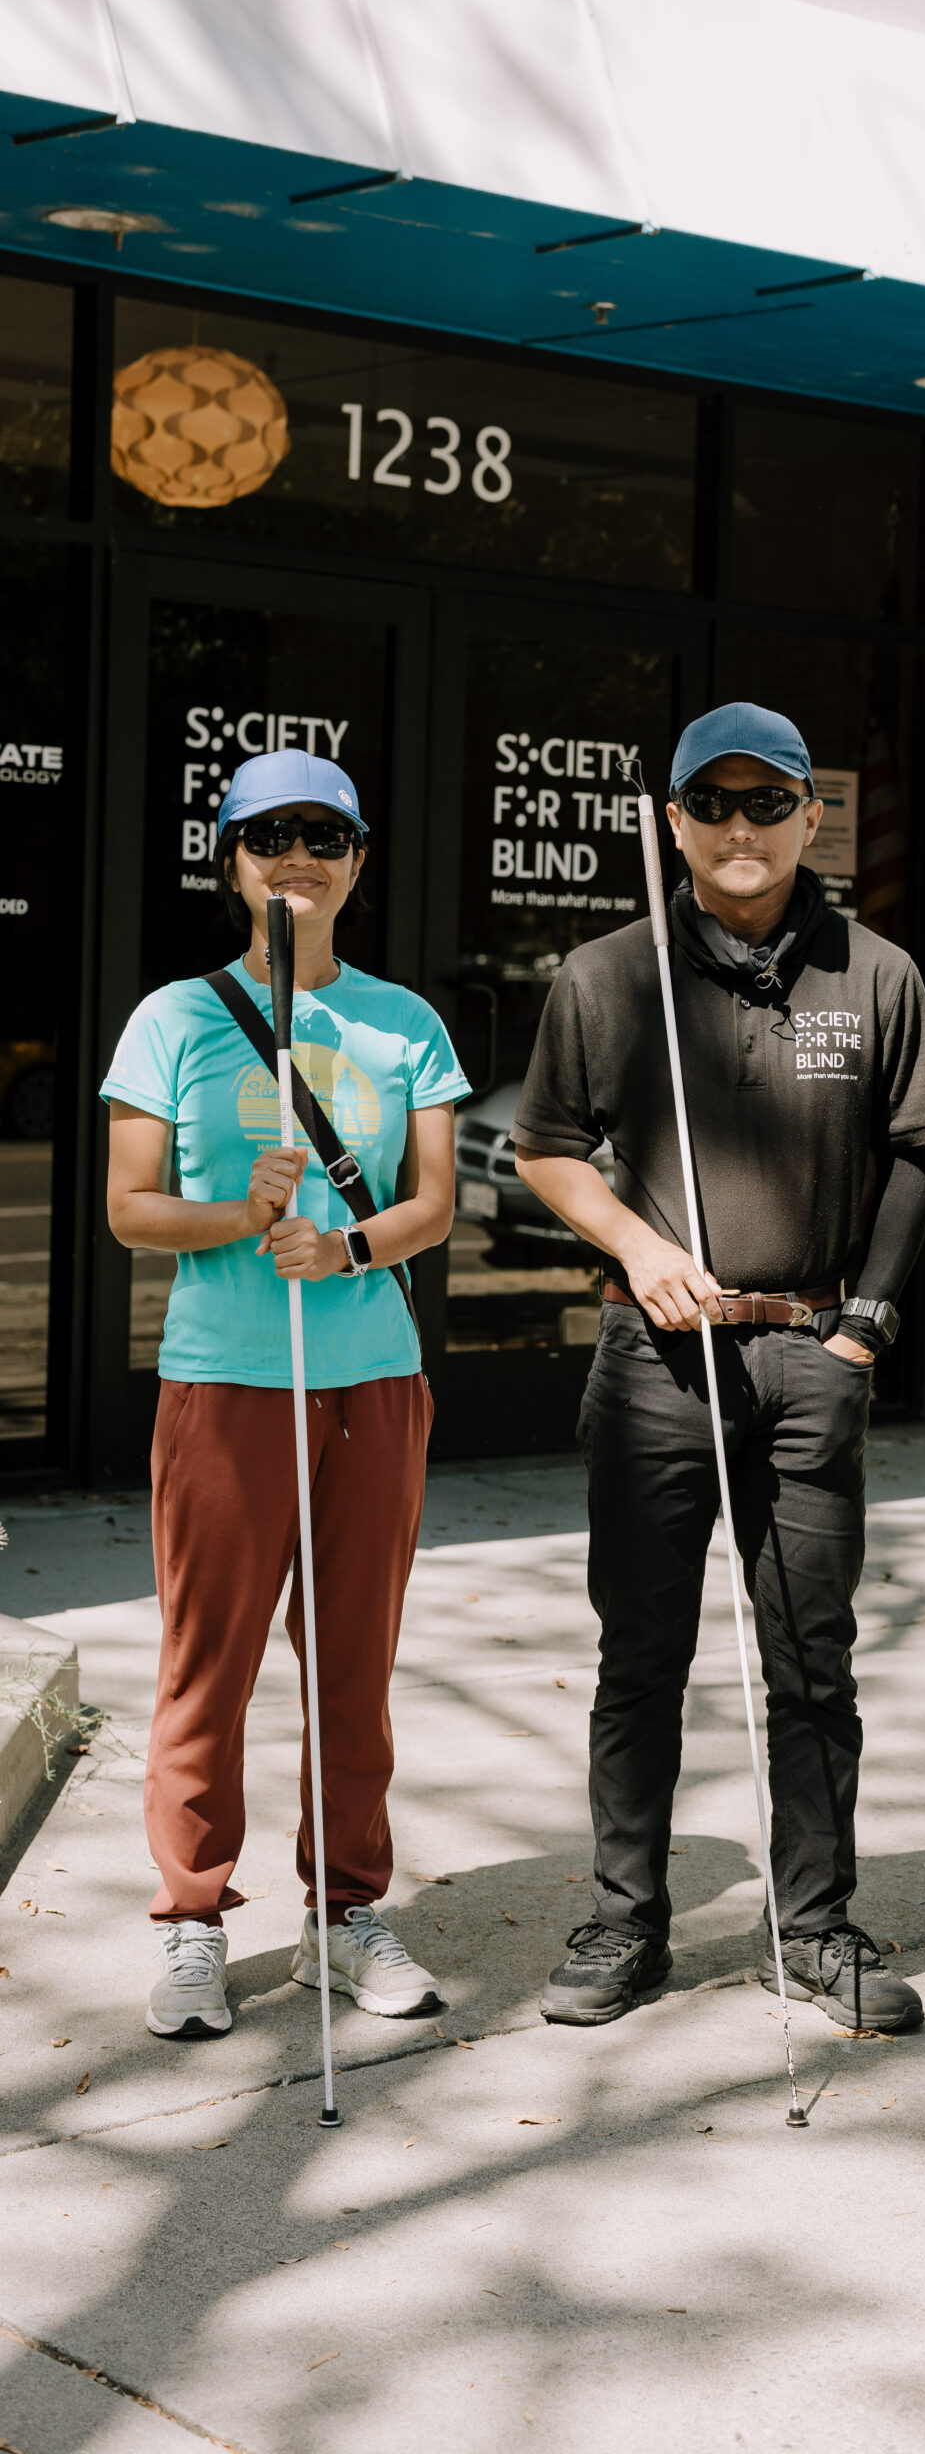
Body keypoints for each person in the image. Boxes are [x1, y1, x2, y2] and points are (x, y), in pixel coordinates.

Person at [513, 701, 925, 2033]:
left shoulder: (875, 973)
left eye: (770, 802)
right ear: (674, 823)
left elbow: (919, 1153)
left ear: (811, 817)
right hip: (657, 1362)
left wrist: (865, 1327)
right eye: (714, 803)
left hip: (809, 1353)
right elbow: (545, 1148)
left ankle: (817, 1931)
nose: (741, 827)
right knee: (639, 1657)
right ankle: (624, 1920)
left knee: (812, 1661)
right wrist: (638, 1247)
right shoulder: (606, 976)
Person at [103, 751, 470, 2039]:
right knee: (209, 1662)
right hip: (228, 1383)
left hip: (371, 1378)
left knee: (352, 1664)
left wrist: (346, 1246)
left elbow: (434, 1205)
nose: (296, 855)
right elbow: (126, 1206)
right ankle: (193, 1917)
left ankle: (346, 1912)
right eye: (268, 835)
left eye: (324, 833)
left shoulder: (402, 1022)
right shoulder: (174, 1019)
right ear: (231, 858)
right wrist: (233, 1213)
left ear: (360, 860)